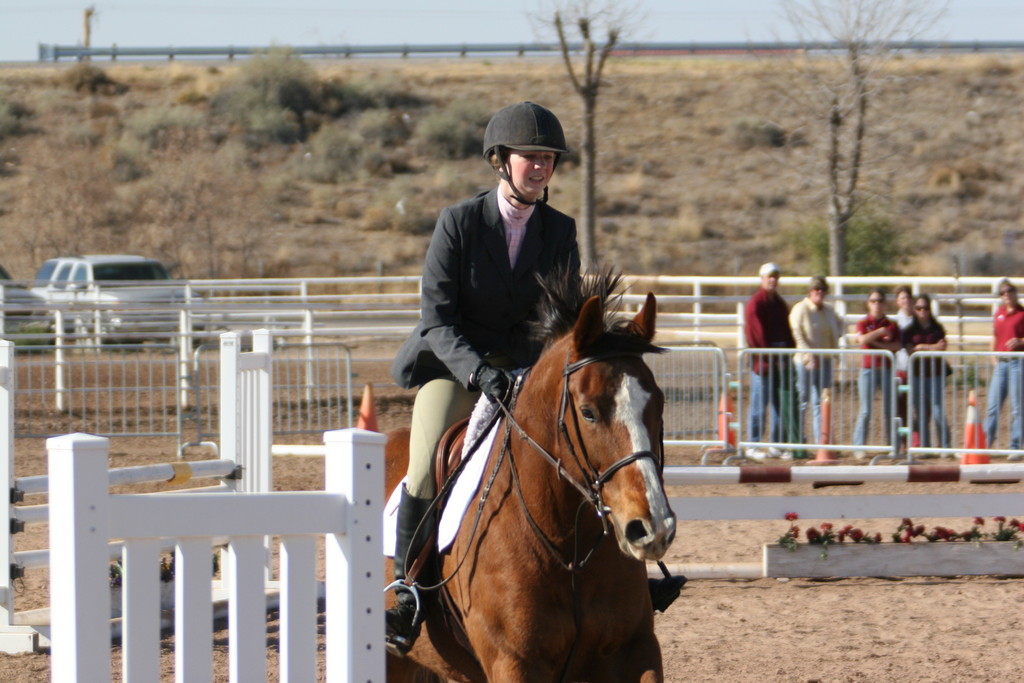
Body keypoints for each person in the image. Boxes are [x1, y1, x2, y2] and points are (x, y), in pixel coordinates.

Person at [386, 102, 580, 655]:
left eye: (548, 159)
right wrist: (476, 371)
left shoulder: (560, 230)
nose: (540, 168)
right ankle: (406, 593)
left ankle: (613, 578)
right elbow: (436, 319)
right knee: (424, 466)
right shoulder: (460, 222)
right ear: (501, 161)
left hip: (524, 371)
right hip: (455, 367)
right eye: (530, 158)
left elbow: (560, 320)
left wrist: (539, 372)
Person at [744, 262, 800, 460]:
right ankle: (753, 443)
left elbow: (786, 329)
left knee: (778, 405)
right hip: (764, 365)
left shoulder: (779, 303)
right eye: (769, 276)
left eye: (775, 276)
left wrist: (790, 352)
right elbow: (756, 335)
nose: (773, 280)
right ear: (762, 279)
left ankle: (777, 443)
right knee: (759, 404)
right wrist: (772, 358)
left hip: (780, 361)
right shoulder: (755, 304)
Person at [789, 275, 843, 444]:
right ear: (810, 291)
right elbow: (797, 333)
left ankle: (822, 440)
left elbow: (840, 324)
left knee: (821, 400)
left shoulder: (829, 309)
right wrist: (808, 355)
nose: (819, 292)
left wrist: (835, 344)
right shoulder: (800, 309)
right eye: (816, 289)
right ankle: (797, 438)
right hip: (805, 361)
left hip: (825, 358)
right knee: (803, 399)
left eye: (822, 289)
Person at [852, 289, 901, 458]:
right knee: (865, 410)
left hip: (886, 370)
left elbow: (897, 346)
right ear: (868, 303)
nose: (877, 304)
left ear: (885, 304)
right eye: (873, 301)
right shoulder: (863, 323)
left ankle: (893, 445)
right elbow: (861, 340)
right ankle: (858, 446)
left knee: (890, 409)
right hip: (868, 370)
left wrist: (875, 343)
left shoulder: (892, 324)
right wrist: (879, 333)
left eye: (880, 301)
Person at [903, 293, 951, 451]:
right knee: (921, 411)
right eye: (919, 308)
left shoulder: (937, 328)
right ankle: (925, 446)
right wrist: (931, 347)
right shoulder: (909, 330)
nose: (922, 311)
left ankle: (945, 445)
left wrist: (922, 347)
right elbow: (910, 350)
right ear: (914, 310)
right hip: (917, 375)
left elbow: (942, 346)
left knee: (937, 410)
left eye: (925, 308)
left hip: (935, 374)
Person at [983, 278, 1024, 461]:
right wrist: (993, 357)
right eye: (1003, 292)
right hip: (1002, 363)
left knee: (1017, 407)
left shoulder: (1022, 314)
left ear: (1015, 294)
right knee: (993, 406)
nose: (1006, 295)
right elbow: (994, 336)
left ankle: (1015, 447)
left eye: (1009, 291)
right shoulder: (999, 313)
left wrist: (1021, 342)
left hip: (1017, 362)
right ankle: (984, 445)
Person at [893, 285, 916, 450]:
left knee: (918, 407)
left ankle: (917, 441)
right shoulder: (894, 322)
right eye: (902, 298)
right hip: (900, 368)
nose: (906, 301)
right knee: (901, 408)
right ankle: (903, 442)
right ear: (898, 302)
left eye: (908, 298)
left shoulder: (918, 320)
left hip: (916, 370)